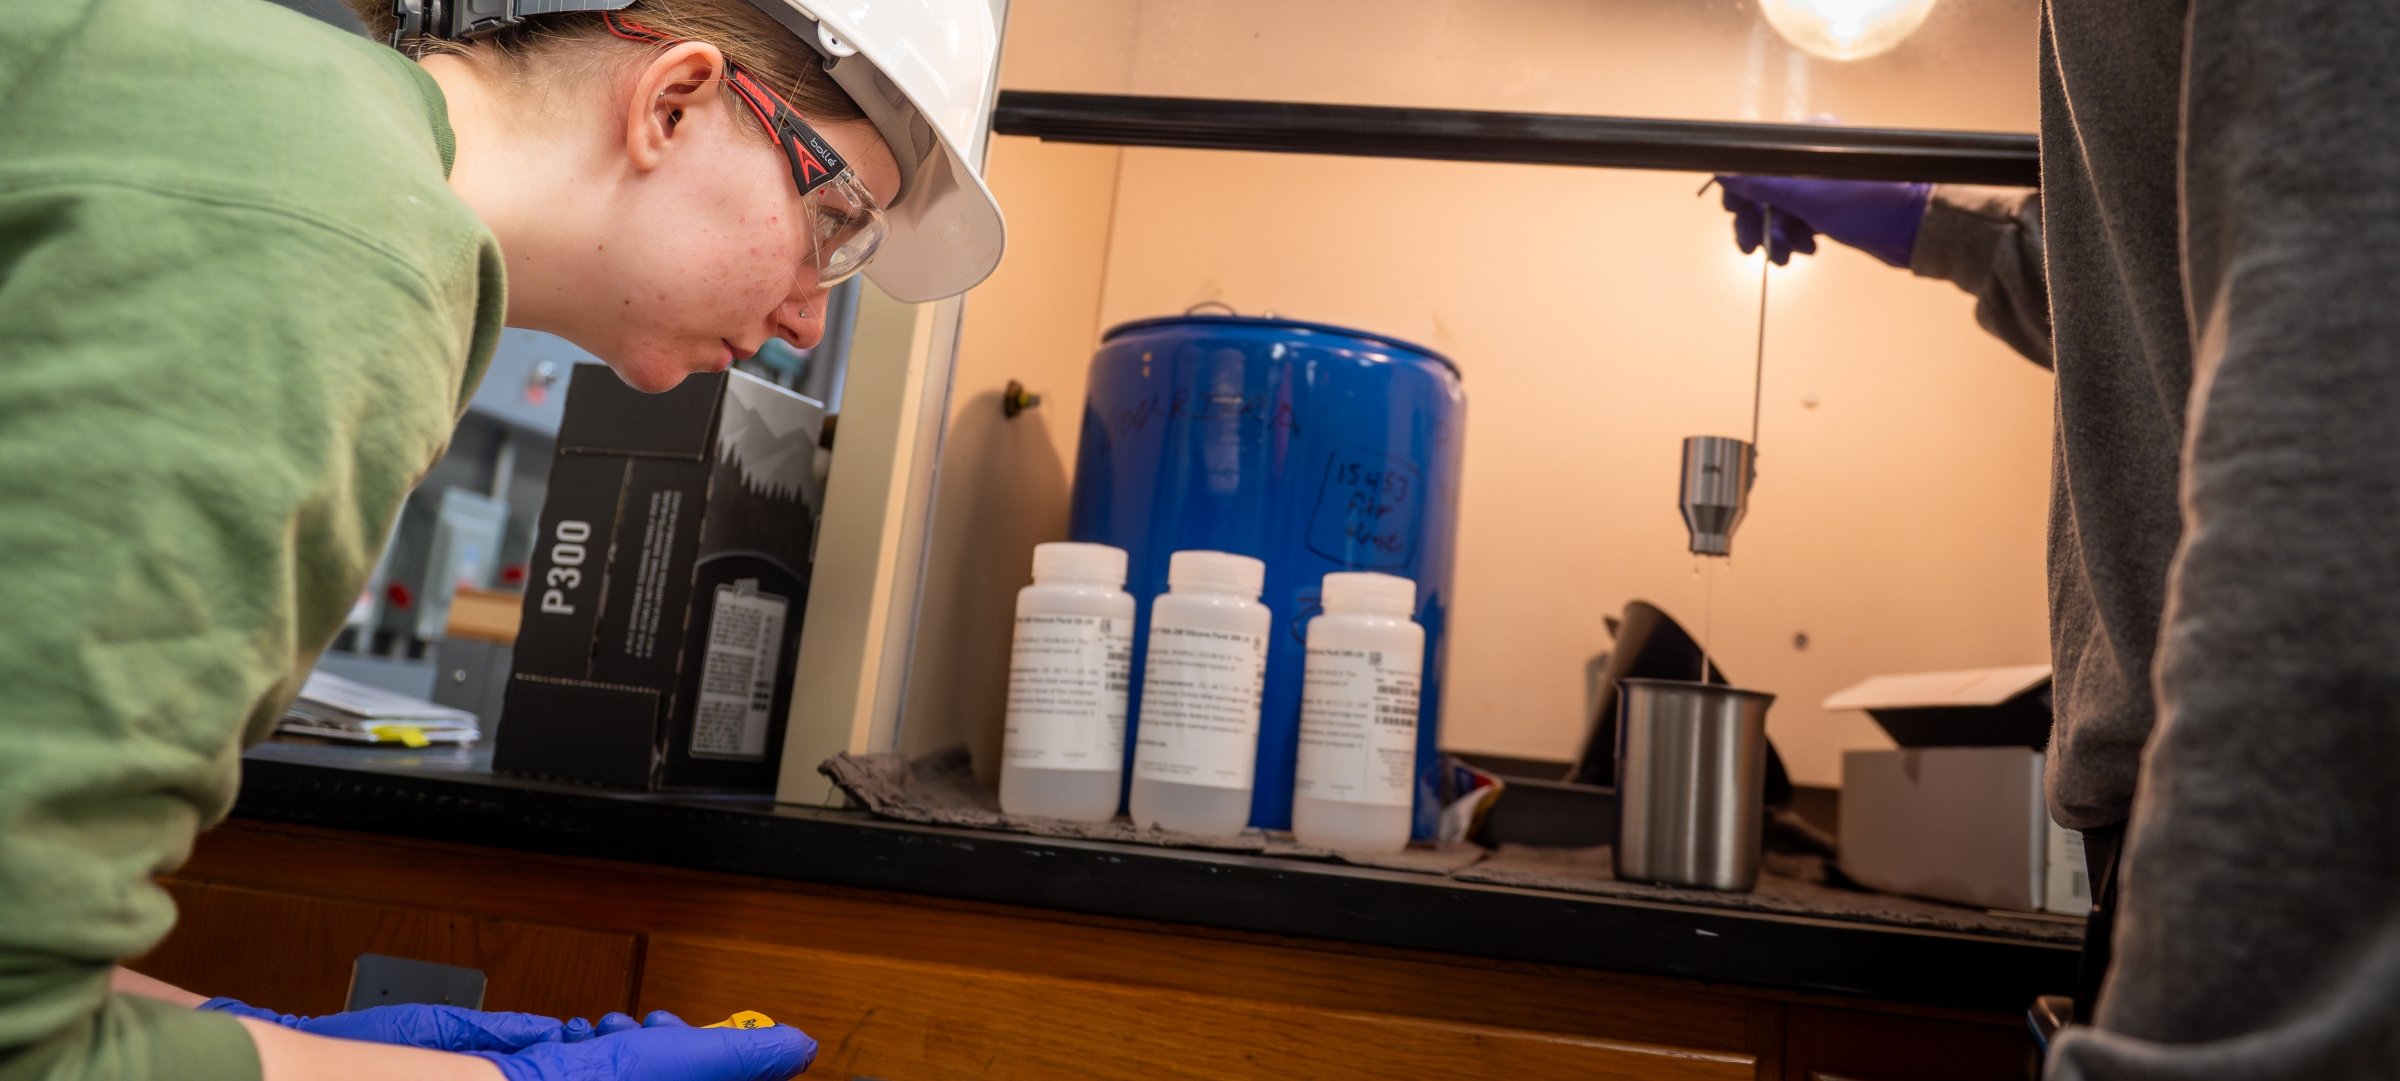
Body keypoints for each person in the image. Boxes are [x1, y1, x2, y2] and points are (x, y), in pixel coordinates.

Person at [0, 0, 1003, 1078]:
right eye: (837, 220)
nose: (812, 318)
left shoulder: (289, 122)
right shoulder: (341, 241)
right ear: (674, 100)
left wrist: (250, 1036)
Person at [1713, 3, 2400, 1074]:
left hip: (2256, 826)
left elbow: (2344, 408)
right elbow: (2144, 308)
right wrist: (1921, 219)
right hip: (2157, 822)